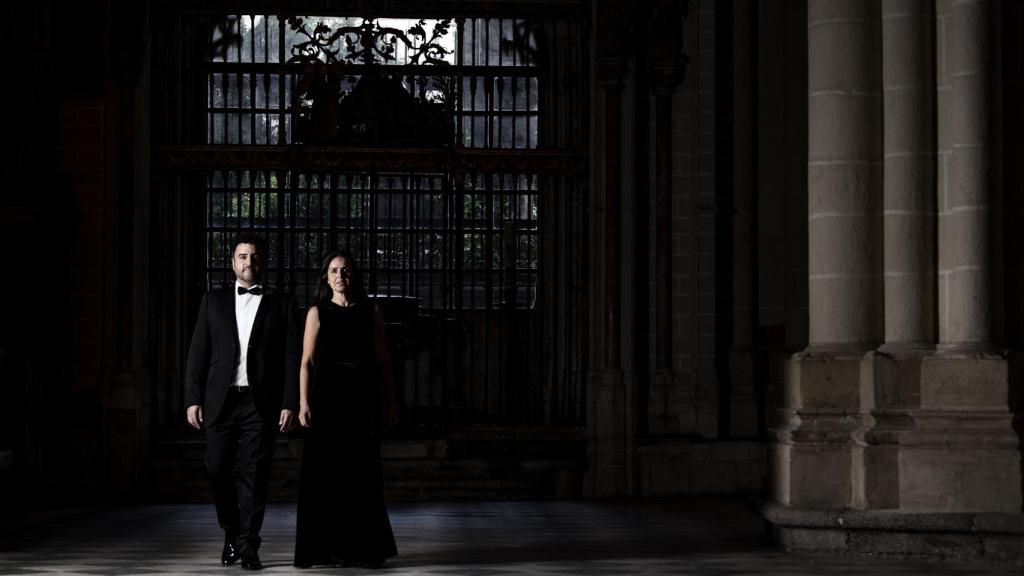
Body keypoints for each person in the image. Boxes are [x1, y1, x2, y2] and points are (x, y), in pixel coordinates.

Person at [185, 232, 299, 570]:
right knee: (217, 469)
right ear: (233, 262)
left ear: (263, 261)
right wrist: (192, 397)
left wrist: (289, 401)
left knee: (254, 475)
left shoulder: (282, 303)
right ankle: (231, 533)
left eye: (255, 256)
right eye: (243, 256)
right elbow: (197, 353)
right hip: (219, 401)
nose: (249, 262)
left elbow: (292, 357)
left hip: (259, 403)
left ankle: (249, 545)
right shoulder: (213, 301)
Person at [293, 249, 398, 569]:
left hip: (361, 398)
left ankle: (364, 549)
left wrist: (391, 401)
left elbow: (382, 360)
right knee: (326, 475)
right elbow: (307, 362)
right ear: (326, 277)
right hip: (327, 399)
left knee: (362, 474)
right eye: (335, 271)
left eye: (346, 270)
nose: (341, 276)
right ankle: (326, 549)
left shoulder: (371, 311)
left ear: (354, 276)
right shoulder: (317, 312)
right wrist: (303, 402)